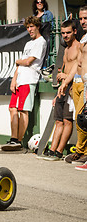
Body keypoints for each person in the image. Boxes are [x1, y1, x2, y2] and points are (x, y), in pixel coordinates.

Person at [1, 16, 47, 151]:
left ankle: (19, 141)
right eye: (27, 27)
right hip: (20, 80)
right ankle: (13, 139)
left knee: (23, 111)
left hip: (29, 79)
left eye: (32, 26)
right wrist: (14, 80)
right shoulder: (28, 44)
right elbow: (20, 64)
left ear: (38, 26)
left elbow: (28, 62)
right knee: (12, 109)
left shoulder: (41, 42)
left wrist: (18, 61)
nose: (29, 29)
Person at [41, 20, 79, 161]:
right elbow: (63, 69)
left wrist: (66, 78)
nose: (65, 35)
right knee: (58, 120)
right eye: (63, 33)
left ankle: (59, 150)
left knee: (67, 120)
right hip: (63, 88)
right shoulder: (66, 49)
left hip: (73, 87)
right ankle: (52, 149)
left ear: (75, 31)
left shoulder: (79, 47)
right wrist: (58, 92)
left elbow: (77, 68)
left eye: (68, 32)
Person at [66, 5, 87, 169]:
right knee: (79, 119)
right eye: (80, 18)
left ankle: (83, 152)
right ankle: (81, 151)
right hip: (79, 82)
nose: (83, 21)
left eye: (85, 18)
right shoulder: (84, 37)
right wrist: (68, 82)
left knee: (83, 119)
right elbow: (77, 64)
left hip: (86, 82)